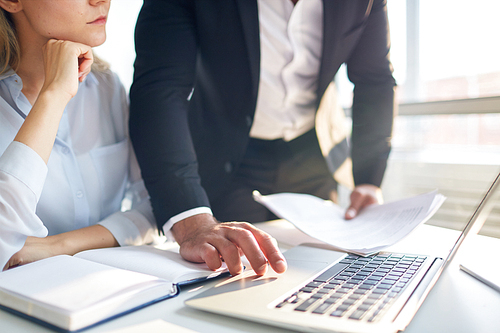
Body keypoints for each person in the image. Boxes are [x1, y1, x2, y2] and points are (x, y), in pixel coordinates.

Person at [0, 0, 285, 276]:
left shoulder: (106, 87)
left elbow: (154, 204)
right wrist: (54, 95)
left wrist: (57, 246)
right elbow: (3, 243)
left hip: (107, 288)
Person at [130, 1, 395, 274]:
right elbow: (160, 90)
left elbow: (374, 80)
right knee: (232, 274)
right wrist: (190, 219)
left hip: (314, 155)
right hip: (229, 159)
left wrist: (368, 179)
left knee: (323, 274)